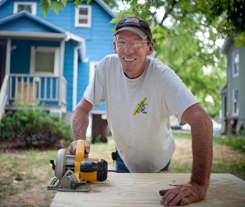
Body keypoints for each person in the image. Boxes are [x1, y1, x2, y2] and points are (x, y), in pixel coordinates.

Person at [69, 17, 213, 206]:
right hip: (124, 156)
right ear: (114, 46)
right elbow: (81, 110)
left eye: (137, 43)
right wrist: (79, 141)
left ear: (150, 48)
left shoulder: (163, 77)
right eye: (122, 42)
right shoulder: (106, 68)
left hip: (158, 161)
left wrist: (198, 184)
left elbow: (202, 121)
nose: (128, 50)